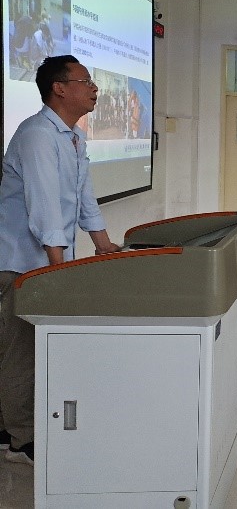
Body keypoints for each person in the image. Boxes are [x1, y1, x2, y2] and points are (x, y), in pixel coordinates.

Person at [0, 56, 121, 465]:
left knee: (21, 348)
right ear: (59, 88)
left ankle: (9, 428)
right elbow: (45, 204)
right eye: (86, 81)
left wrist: (103, 244)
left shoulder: (73, 137)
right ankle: (21, 440)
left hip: (43, 261)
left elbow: (83, 196)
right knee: (21, 351)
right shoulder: (37, 135)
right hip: (20, 262)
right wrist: (57, 268)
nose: (94, 88)